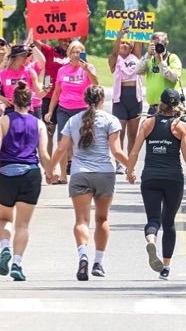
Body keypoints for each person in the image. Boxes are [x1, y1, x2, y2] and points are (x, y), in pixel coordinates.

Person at [48, 85, 129, 281]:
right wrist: (131, 167)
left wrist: (49, 170)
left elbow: (61, 149)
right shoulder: (111, 120)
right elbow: (117, 151)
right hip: (104, 174)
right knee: (102, 219)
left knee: (81, 221)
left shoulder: (73, 120)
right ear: (102, 100)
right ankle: (98, 262)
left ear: (85, 100)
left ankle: (83, 255)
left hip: (80, 174)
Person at [126, 88, 186, 280]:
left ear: (159, 104)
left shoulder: (148, 123)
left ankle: (151, 239)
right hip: (173, 179)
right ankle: (166, 267)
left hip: (150, 178)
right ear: (177, 105)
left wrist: (130, 171)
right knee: (169, 221)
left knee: (153, 220)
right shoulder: (182, 127)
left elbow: (135, 151)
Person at [0, 81, 51, 281]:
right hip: (30, 174)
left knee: (4, 219)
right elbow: (44, 154)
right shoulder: (38, 124)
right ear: (31, 103)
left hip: (6, 173)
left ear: (12, 101)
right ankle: (17, 264)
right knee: (23, 225)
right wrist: (50, 173)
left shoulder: (4, 121)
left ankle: (4, 248)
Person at [44, 41, 98, 184]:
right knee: (62, 142)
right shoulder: (62, 70)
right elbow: (56, 93)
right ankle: (62, 175)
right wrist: (50, 111)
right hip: (64, 110)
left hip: (82, 110)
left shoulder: (88, 67)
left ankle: (82, 172)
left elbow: (96, 84)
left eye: (79, 52)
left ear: (83, 53)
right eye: (73, 52)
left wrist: (87, 70)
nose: (76, 55)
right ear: (69, 54)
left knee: (80, 142)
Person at [108, 24, 143, 174]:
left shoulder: (136, 58)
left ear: (131, 47)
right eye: (123, 43)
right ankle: (119, 163)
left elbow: (139, 42)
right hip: (120, 99)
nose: (125, 45)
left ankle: (131, 163)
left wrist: (138, 22)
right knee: (119, 132)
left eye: (128, 43)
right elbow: (115, 52)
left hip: (135, 98)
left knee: (132, 134)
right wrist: (119, 36)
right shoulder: (114, 61)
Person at [34, 37, 72, 155]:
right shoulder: (50, 51)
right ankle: (48, 164)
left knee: (65, 133)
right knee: (49, 131)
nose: (67, 43)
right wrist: (28, 20)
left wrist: (84, 20)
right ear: (59, 40)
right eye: (65, 40)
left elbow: (83, 38)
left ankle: (68, 162)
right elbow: (36, 40)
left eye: (69, 41)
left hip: (65, 97)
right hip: (48, 95)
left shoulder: (73, 54)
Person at [135, 32, 182, 115]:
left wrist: (161, 62)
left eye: (159, 44)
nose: (156, 47)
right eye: (154, 44)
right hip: (153, 107)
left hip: (169, 107)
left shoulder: (172, 58)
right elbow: (138, 71)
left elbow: (174, 77)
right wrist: (148, 55)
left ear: (165, 44)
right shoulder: (149, 58)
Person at [0, 44, 50, 116]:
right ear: (15, 57)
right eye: (23, 56)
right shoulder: (2, 73)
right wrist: (2, 98)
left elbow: (39, 94)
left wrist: (46, 90)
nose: (26, 58)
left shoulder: (30, 71)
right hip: (10, 110)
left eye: (26, 56)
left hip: (27, 110)